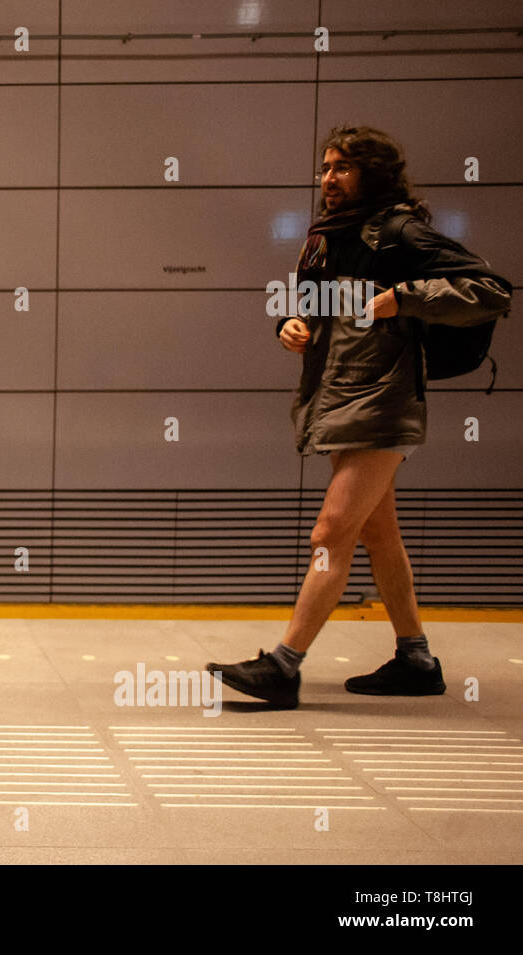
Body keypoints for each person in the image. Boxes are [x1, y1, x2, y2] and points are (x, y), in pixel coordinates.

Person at [208, 125, 511, 709]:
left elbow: (491, 288)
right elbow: (313, 305)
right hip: (337, 396)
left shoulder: (399, 232)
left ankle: (284, 665)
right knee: (378, 532)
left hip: (384, 401)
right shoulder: (324, 236)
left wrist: (407, 297)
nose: (328, 178)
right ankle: (416, 659)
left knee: (331, 532)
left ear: (372, 173)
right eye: (325, 167)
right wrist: (288, 325)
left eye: (342, 168)